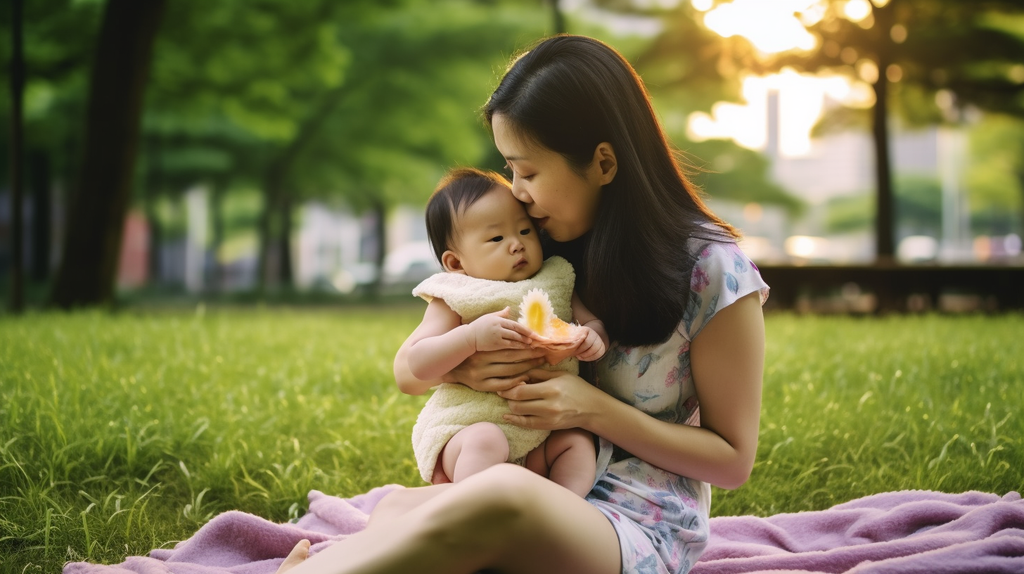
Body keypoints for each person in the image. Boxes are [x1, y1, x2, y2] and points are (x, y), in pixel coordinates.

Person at [281, 34, 768, 574]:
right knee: (399, 507)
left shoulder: (714, 272)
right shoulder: (540, 252)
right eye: (510, 169)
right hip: (534, 483)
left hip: (635, 523)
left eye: (528, 171)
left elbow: (732, 461)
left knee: (498, 497)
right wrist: (469, 363)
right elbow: (422, 358)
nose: (517, 192)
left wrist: (589, 407)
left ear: (603, 162)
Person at [404, 167, 608, 497]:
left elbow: (591, 321)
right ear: (456, 263)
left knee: (577, 443)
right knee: (487, 440)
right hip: (469, 429)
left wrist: (593, 336)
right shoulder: (456, 294)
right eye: (497, 238)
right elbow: (418, 362)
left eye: (525, 231)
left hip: (541, 434)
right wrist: (469, 338)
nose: (517, 245)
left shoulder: (556, 279)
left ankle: (561, 510)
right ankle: (472, 511)